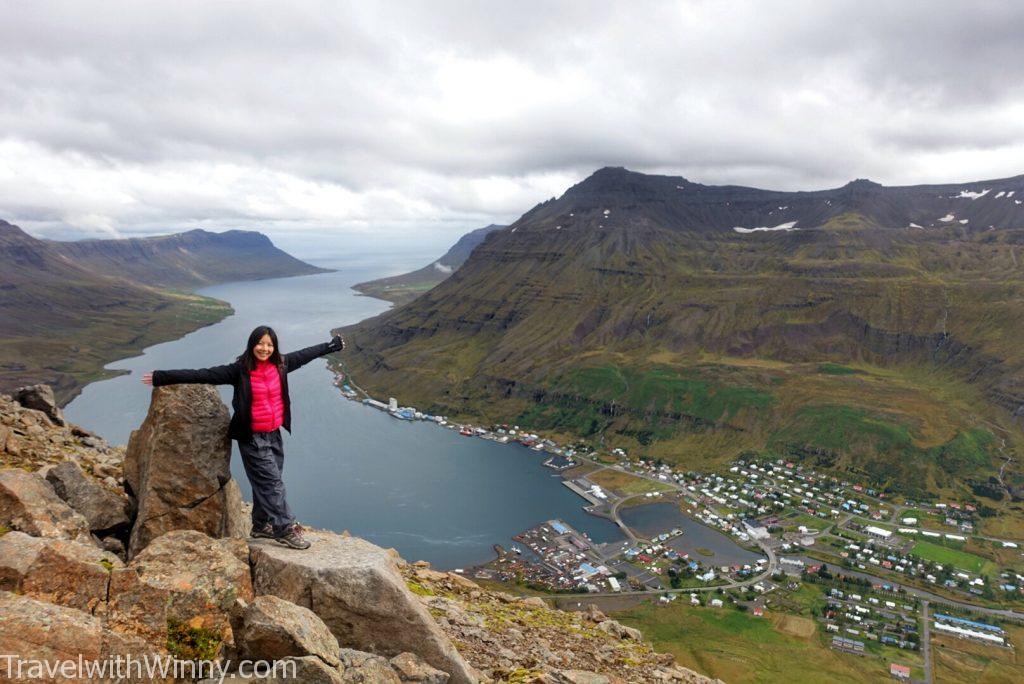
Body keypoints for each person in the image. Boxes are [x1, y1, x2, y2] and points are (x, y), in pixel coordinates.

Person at [142, 326, 345, 550]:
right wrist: (161, 377)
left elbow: (305, 354)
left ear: (274, 347)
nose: (265, 348)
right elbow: (202, 374)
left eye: (269, 344)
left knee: (267, 482)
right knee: (273, 484)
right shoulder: (239, 370)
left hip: (274, 434)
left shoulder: (281, 365)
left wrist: (329, 347)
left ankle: (261, 525)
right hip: (252, 437)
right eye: (260, 343)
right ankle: (285, 528)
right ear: (251, 345)